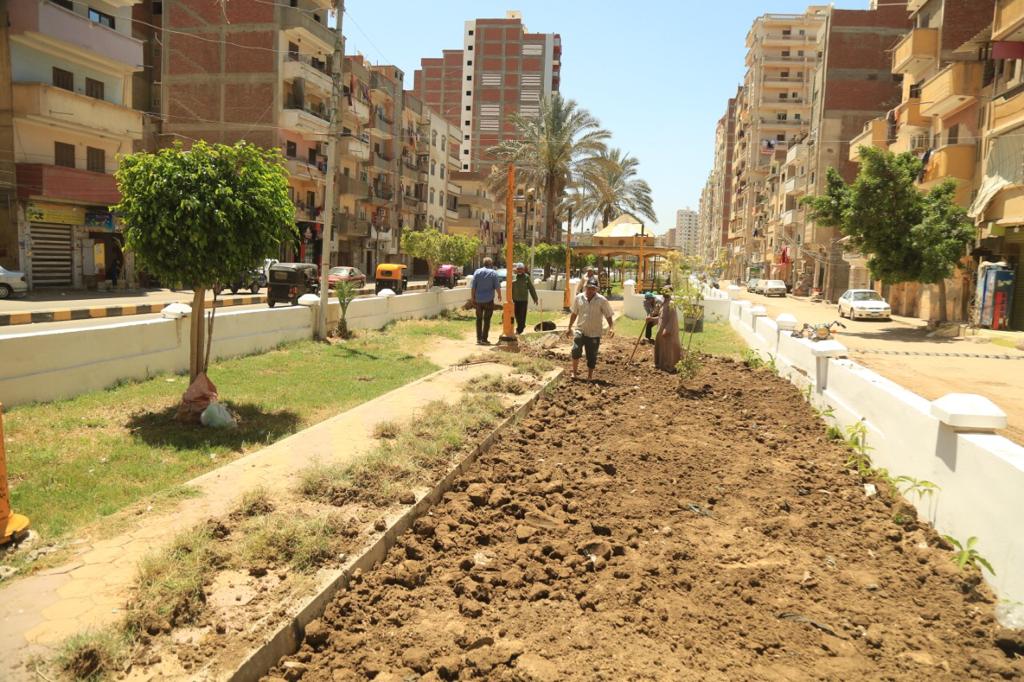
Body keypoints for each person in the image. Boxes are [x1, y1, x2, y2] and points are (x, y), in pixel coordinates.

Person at [567, 277, 615, 381]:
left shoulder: (602, 300)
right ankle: (574, 373)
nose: (590, 290)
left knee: (592, 355)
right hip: (580, 330)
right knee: (575, 350)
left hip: (594, 333)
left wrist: (611, 327)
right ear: (585, 287)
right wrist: (569, 327)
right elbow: (574, 313)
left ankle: (589, 376)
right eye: (589, 288)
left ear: (596, 289)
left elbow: (608, 315)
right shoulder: (579, 298)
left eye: (593, 289)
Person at [471, 257, 503, 345]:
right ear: (491, 264)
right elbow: (497, 286)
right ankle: (484, 339)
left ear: (483, 263)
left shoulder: (477, 272)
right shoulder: (493, 273)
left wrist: (473, 298)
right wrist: (499, 295)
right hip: (489, 300)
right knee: (487, 319)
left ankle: (478, 339)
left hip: (478, 300)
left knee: (479, 319)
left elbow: (473, 287)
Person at [653, 287, 682, 372]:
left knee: (668, 350)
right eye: (663, 291)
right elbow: (661, 318)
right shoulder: (663, 303)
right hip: (660, 331)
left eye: (666, 291)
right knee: (662, 349)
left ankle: (669, 366)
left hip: (668, 332)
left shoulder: (671, 303)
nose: (664, 292)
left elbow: (673, 318)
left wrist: (667, 329)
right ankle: (660, 365)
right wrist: (651, 319)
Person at [511, 262, 538, 335]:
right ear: (516, 269)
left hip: (523, 300)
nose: (519, 270)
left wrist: (535, 298)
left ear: (524, 270)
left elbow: (531, 288)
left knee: (522, 315)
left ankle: (519, 329)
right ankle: (521, 327)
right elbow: (510, 288)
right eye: (518, 269)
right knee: (517, 315)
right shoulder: (513, 276)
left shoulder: (526, 277)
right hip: (515, 300)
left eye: (521, 269)